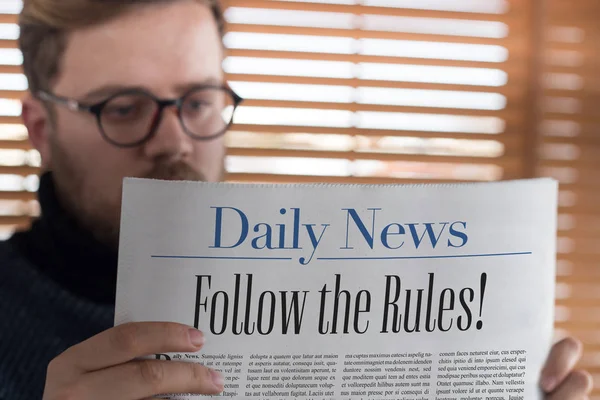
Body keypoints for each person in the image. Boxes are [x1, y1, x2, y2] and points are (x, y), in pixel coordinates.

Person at [0, 0, 593, 399]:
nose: (175, 141)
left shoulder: (322, 295)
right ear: (42, 131)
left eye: (199, 100)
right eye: (123, 109)